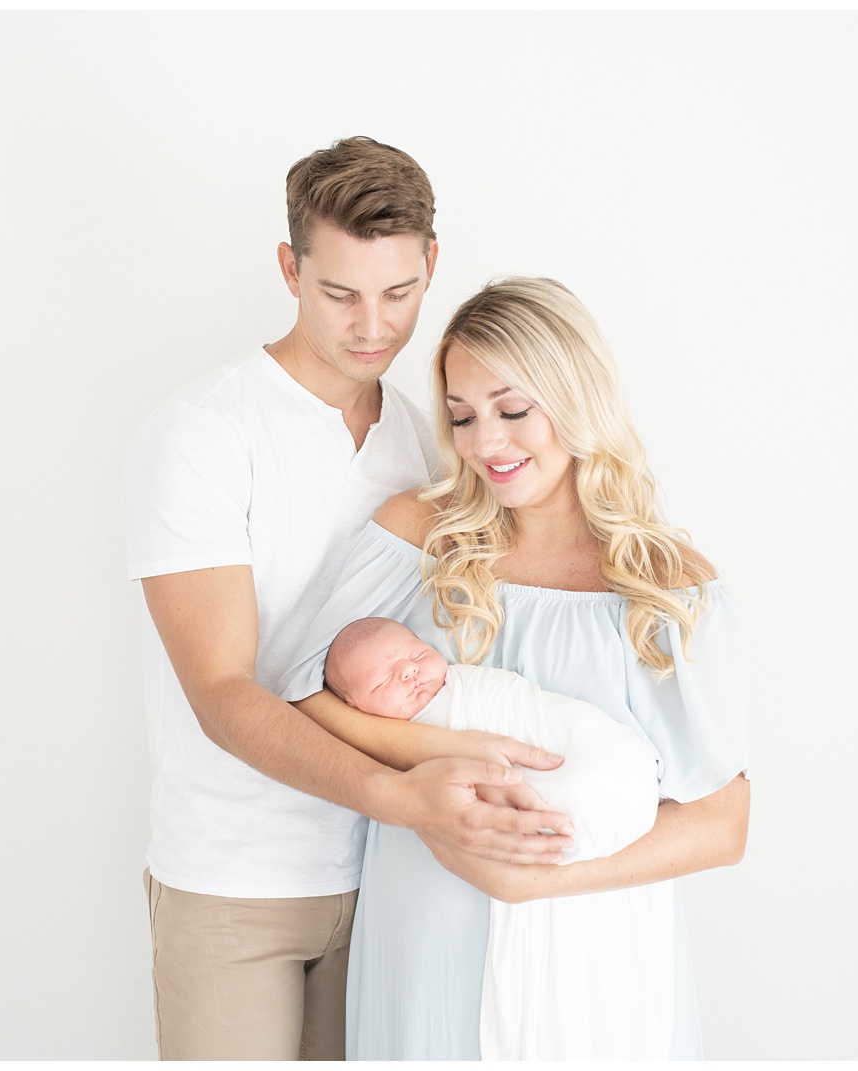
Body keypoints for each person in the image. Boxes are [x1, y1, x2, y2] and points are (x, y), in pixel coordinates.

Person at [121, 141, 575, 1062]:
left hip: (395, 875)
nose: (374, 325)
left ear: (431, 265)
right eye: (340, 294)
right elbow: (223, 692)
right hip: (236, 878)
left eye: (399, 293)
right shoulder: (205, 434)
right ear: (291, 269)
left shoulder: (432, 438)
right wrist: (407, 796)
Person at [277, 276, 751, 1059]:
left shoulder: (664, 584)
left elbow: (723, 822)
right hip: (424, 925)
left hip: (594, 950)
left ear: (575, 399)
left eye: (512, 409)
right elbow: (301, 695)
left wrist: (532, 881)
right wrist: (437, 766)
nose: (484, 444)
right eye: (461, 416)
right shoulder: (418, 536)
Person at [322, 615, 675, 1059]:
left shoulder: (473, 688)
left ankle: (584, 809)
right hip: (439, 929)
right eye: (384, 679)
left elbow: (525, 710)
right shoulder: (389, 741)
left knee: (598, 781)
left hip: (591, 760)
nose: (409, 672)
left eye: (415, 655)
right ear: (355, 708)